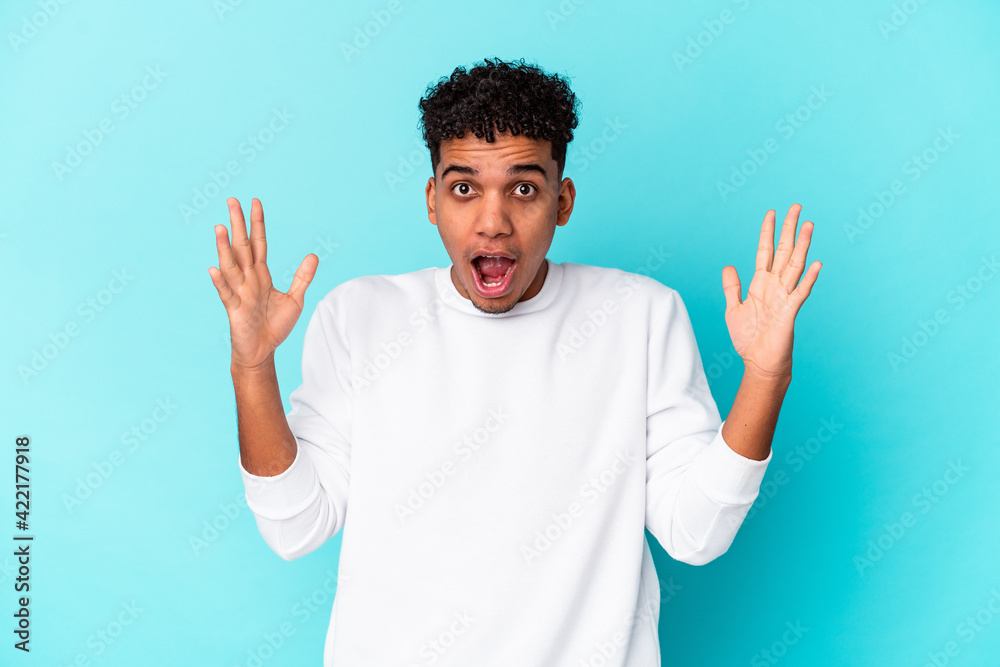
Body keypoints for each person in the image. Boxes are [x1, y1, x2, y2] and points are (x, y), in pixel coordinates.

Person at [208, 57, 821, 666]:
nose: (493, 222)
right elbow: (296, 528)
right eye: (464, 188)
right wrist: (252, 367)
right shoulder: (358, 317)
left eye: (523, 188)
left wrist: (766, 379)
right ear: (432, 199)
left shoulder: (641, 316)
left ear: (563, 200)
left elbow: (696, 535)